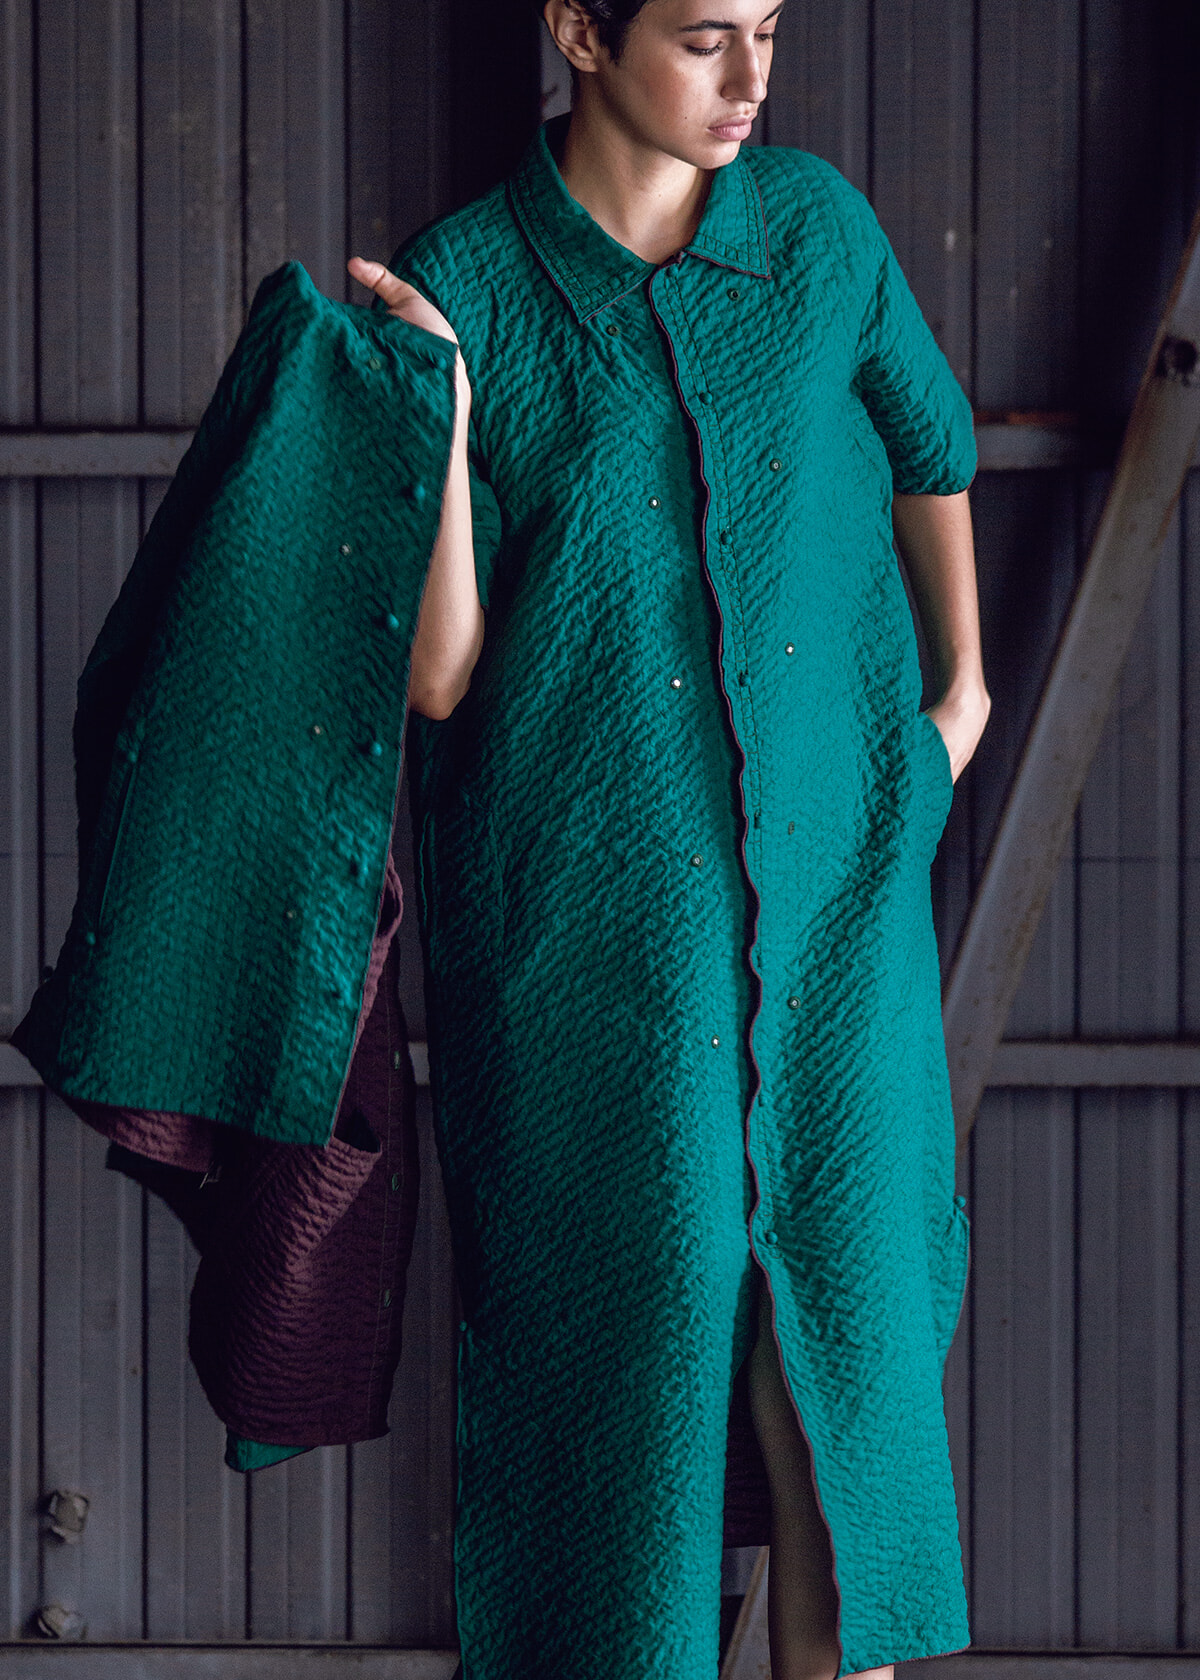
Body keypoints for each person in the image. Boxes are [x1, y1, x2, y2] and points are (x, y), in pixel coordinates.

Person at [344, 1, 991, 1677]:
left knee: (848, 1365)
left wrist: (962, 697)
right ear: (579, 29)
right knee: (632, 1371)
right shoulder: (473, 281)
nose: (752, 81)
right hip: (600, 933)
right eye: (707, 38)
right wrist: (438, 411)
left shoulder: (818, 232)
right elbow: (439, 671)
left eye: (768, 29)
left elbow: (929, 445)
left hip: (835, 903)